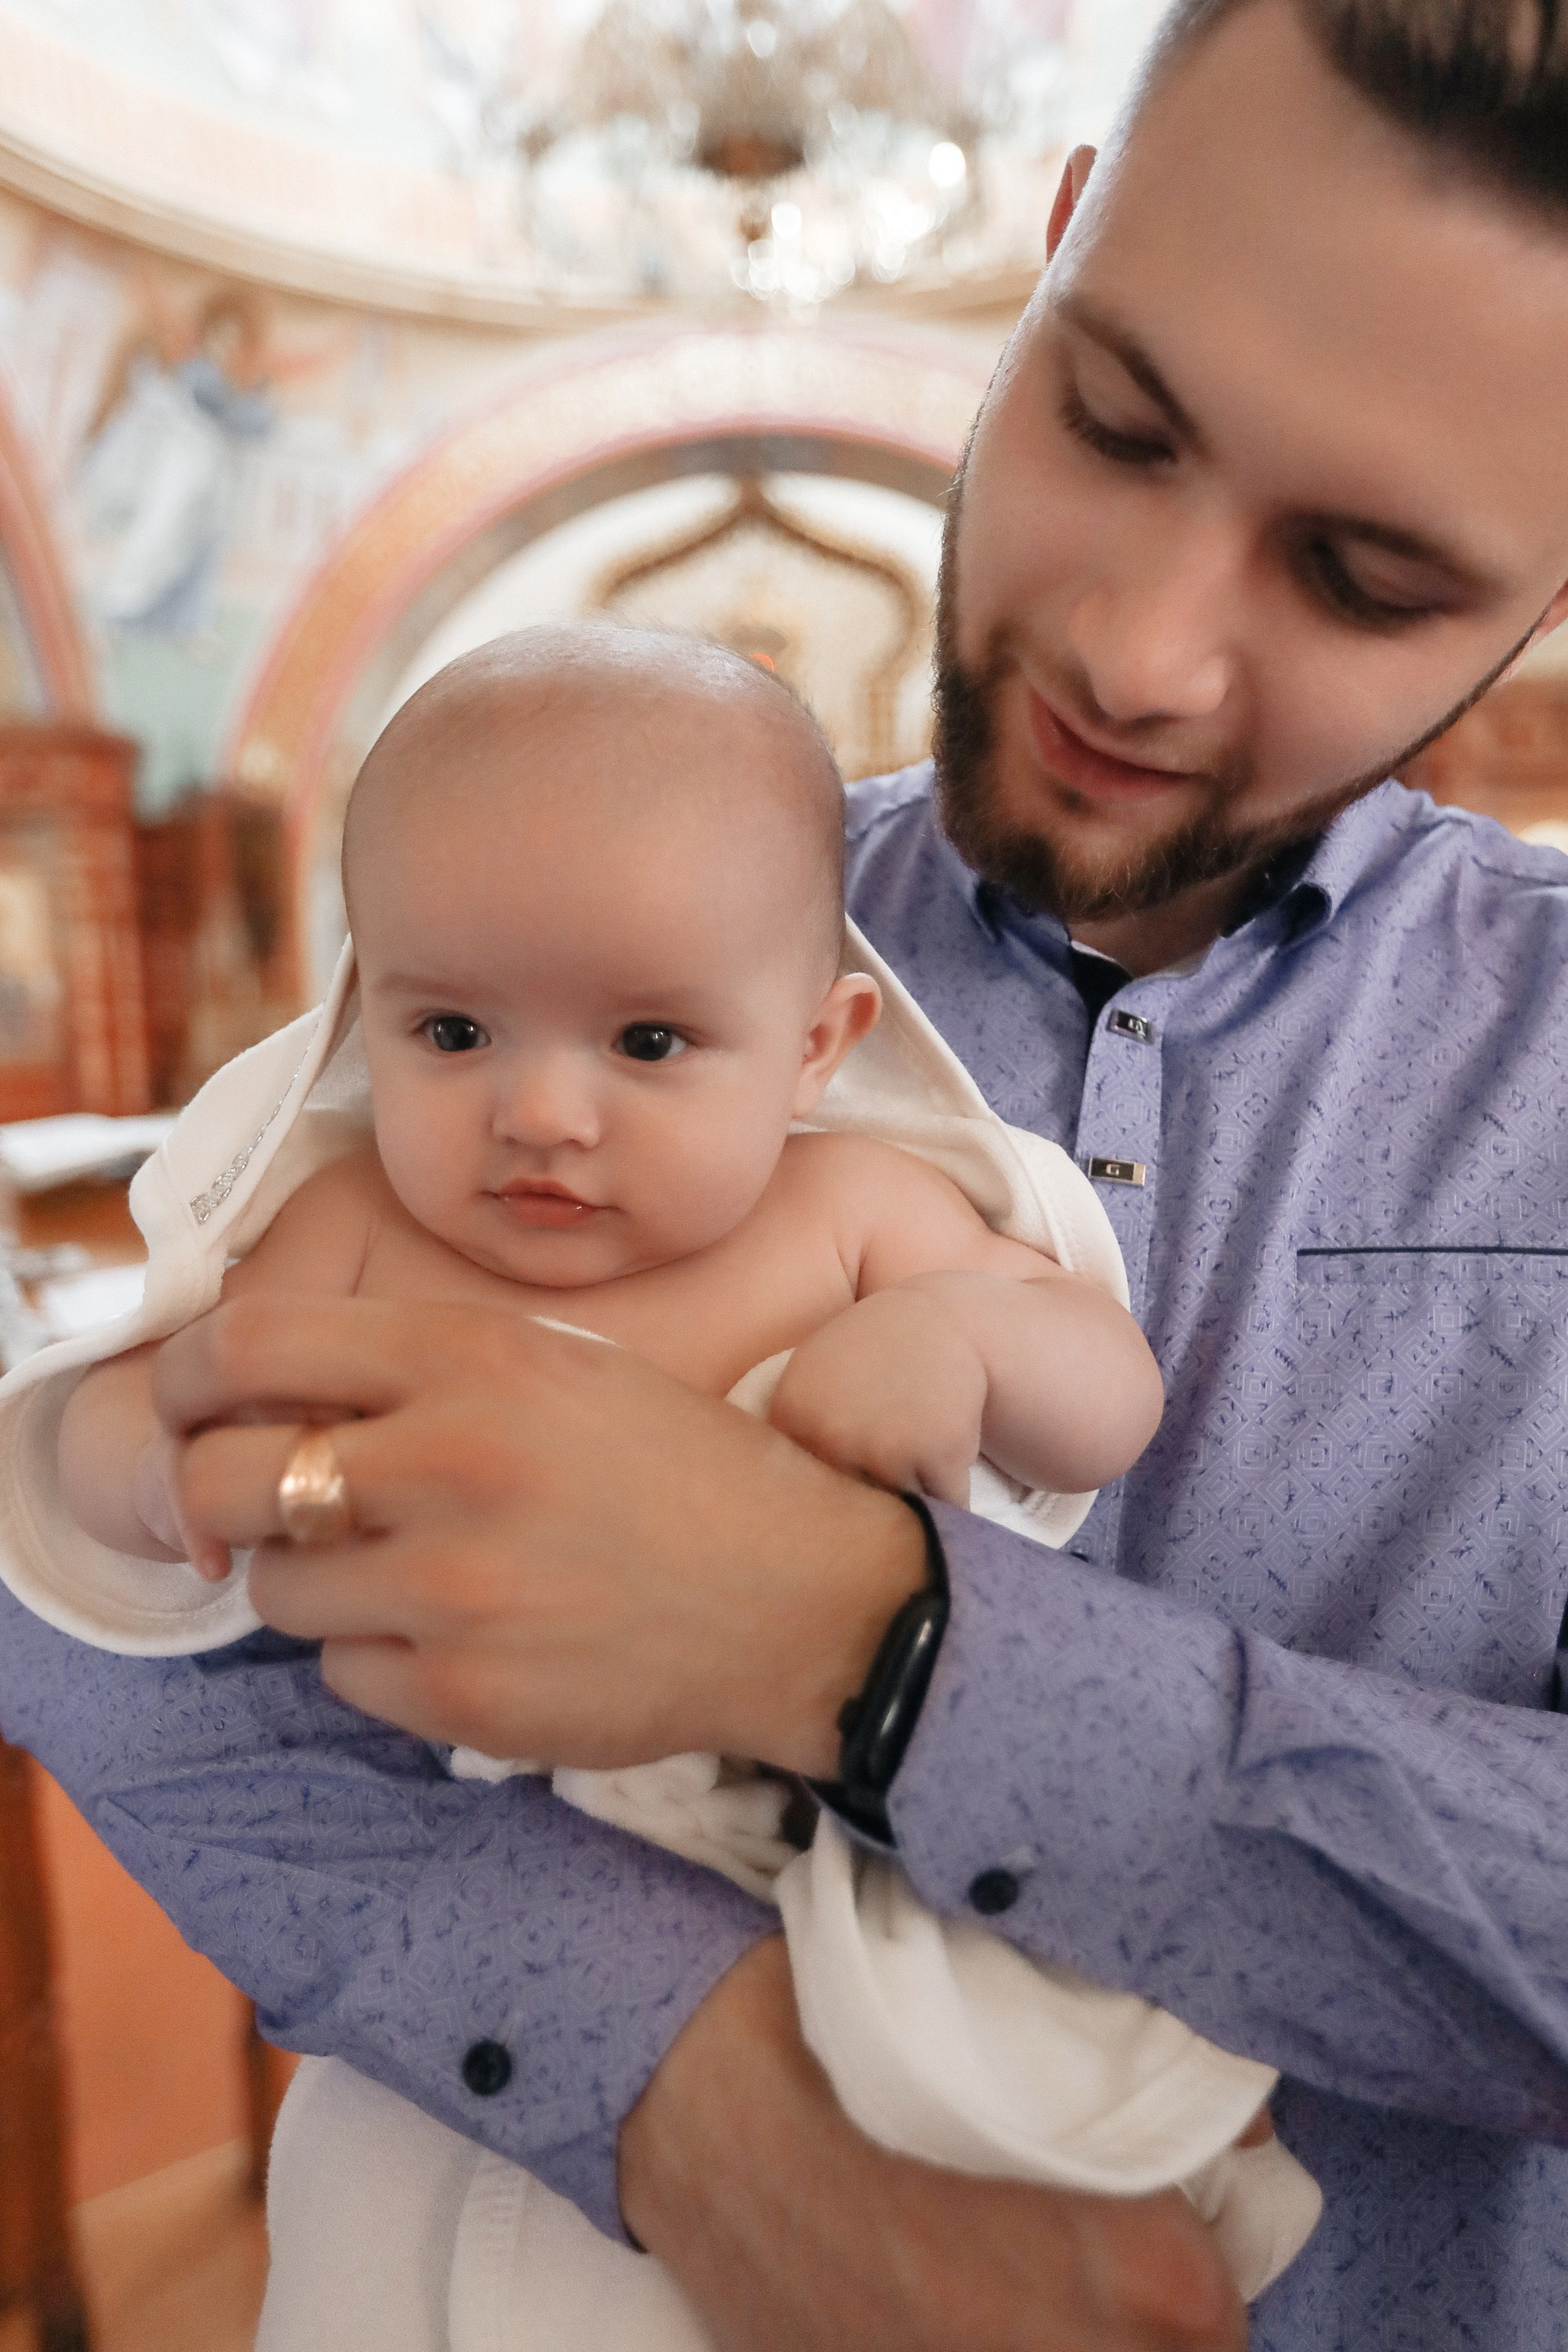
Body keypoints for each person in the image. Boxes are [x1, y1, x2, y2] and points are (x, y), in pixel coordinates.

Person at [5, 0, 1568, 2344]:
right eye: (1113, 419)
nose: (1140, 653)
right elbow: (106, 1629)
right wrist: (689, 2098)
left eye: (1359, 578)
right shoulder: (569, 924)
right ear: (1049, 258)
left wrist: (865, 1639)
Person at [35, 622, 1314, 2343]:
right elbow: (103, 1418)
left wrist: (957, 1341)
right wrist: (162, 1467)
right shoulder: (346, 1229)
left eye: (646, 1043)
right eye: (454, 1029)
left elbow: (1108, 1399)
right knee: (403, 2270)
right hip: (490, 1929)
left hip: (862, 1892)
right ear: (362, 1009)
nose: (538, 1113)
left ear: (814, 1045)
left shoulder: (857, 1209)